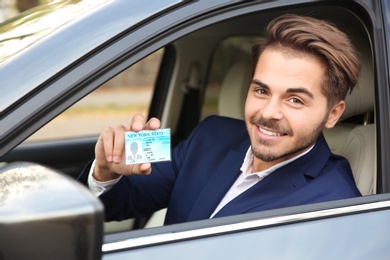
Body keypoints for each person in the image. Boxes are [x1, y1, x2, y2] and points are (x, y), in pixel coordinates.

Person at [78, 14, 362, 225]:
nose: (268, 113)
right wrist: (106, 171)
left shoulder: (335, 204)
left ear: (332, 114)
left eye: (295, 100)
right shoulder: (210, 135)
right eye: (261, 90)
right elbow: (117, 205)